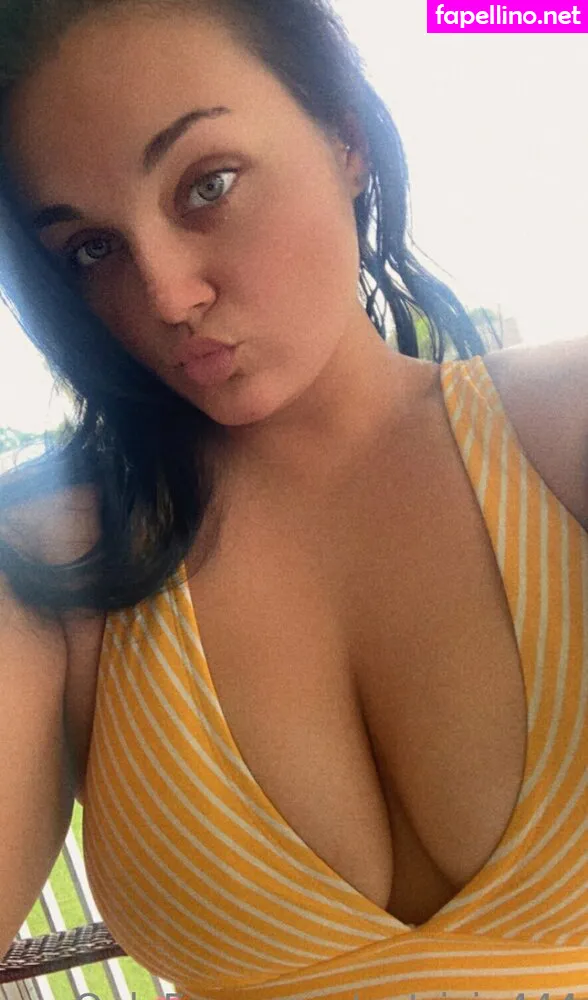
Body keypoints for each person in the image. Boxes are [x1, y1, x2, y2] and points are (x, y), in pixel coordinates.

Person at [0, 1, 586, 997]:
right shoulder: (56, 567)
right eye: (92, 248)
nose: (166, 294)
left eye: (208, 185)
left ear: (345, 139)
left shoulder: (565, 433)